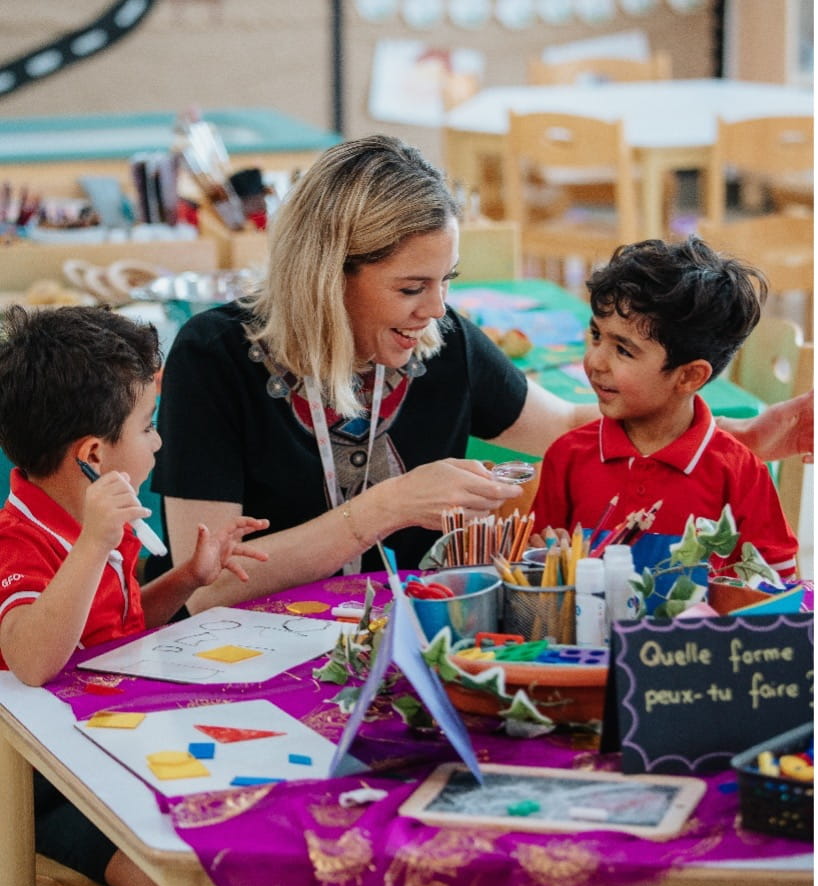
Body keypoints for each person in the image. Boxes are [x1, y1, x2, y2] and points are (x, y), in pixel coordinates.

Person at [152, 135, 810, 612]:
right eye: (413, 285)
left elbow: (572, 427)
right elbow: (208, 583)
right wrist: (388, 506)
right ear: (327, 278)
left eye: (446, 282)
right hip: (231, 653)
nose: (437, 308)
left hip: (384, 641)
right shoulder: (215, 356)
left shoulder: (442, 345)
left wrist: (749, 436)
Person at [0, 304, 269, 886]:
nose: (160, 441)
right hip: (43, 782)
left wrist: (186, 580)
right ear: (94, 456)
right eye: (149, 425)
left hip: (111, 740)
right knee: (172, 882)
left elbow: (110, 631)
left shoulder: (102, 519)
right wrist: (95, 544)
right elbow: (33, 659)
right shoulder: (20, 540)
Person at [531, 236, 799, 580]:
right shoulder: (566, 457)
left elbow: (777, 590)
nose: (595, 360)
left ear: (689, 376)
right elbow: (534, 569)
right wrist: (544, 558)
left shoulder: (741, 473)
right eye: (597, 335)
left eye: (623, 351)